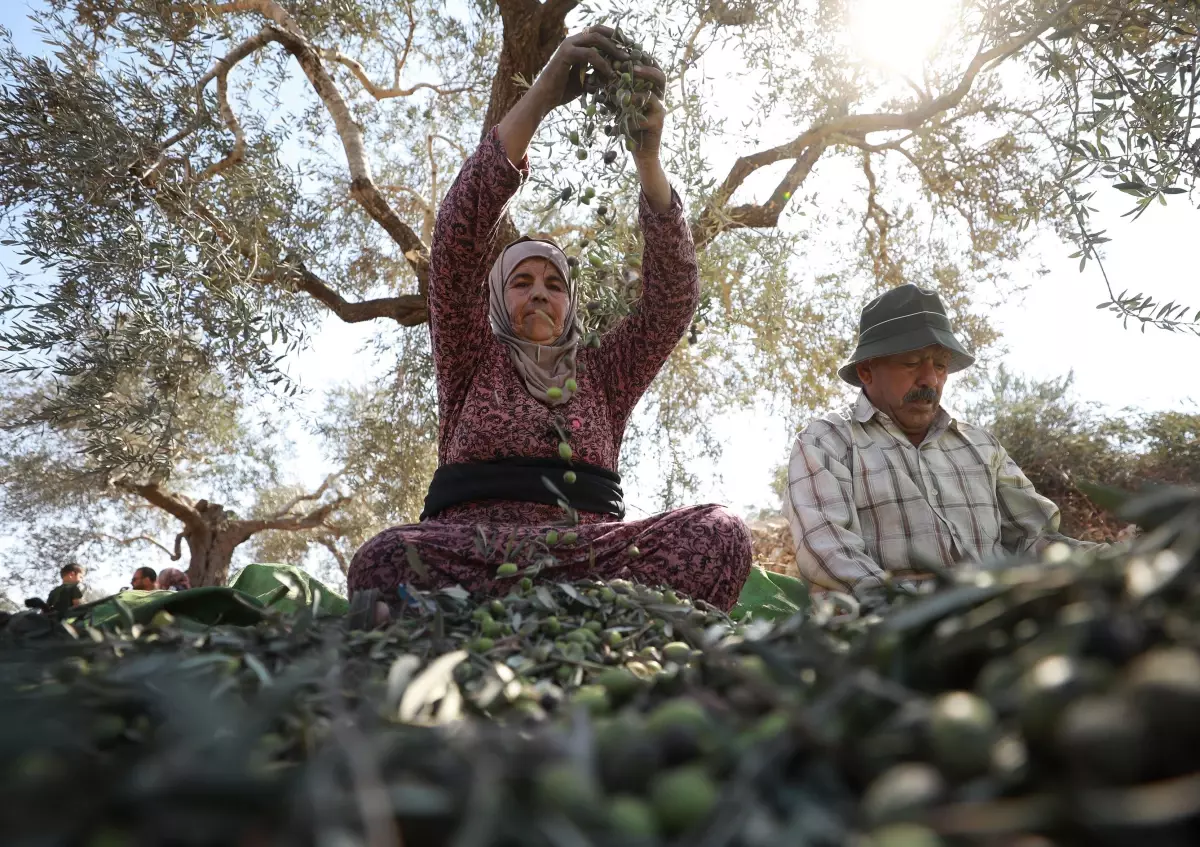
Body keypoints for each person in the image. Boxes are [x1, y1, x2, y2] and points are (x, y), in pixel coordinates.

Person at [349, 26, 752, 611]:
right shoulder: (470, 353)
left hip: (589, 558)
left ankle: (557, 612)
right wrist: (541, 94)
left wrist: (648, 157)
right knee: (383, 558)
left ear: (570, 305)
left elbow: (671, 301)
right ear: (495, 298)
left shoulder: (605, 373)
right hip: (475, 555)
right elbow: (457, 238)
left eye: (554, 284)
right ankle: (568, 614)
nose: (539, 293)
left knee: (720, 533)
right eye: (521, 282)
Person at [783, 284, 1101, 598]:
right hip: (888, 623)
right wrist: (914, 609)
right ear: (867, 370)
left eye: (940, 365)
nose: (930, 379)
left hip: (997, 613)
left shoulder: (981, 446)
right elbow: (831, 555)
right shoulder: (826, 443)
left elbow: (1032, 539)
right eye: (911, 362)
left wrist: (1104, 558)